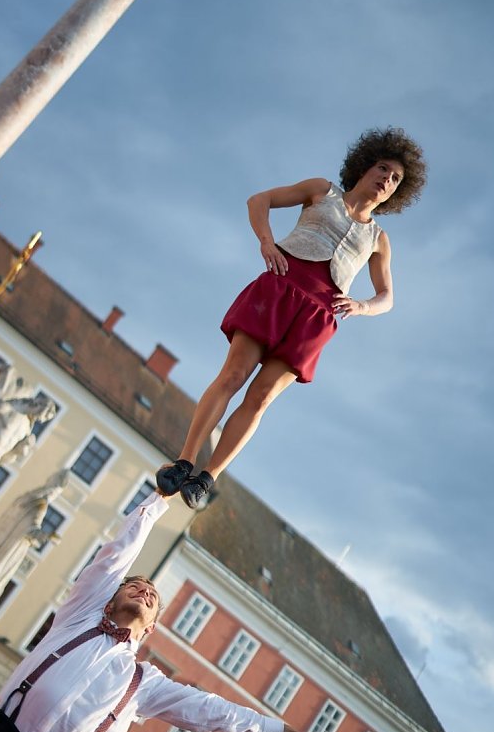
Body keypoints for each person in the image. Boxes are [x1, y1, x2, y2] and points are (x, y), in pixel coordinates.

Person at [0, 489, 325, 732]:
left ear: (149, 630)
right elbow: (116, 553)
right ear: (109, 599)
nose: (144, 590)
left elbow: (210, 711)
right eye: (133, 586)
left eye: (151, 594)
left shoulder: (142, 683)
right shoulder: (79, 616)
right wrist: (159, 499)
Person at [157, 127, 427, 507]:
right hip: (279, 290)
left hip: (317, 318)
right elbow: (259, 200)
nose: (387, 179)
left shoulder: (379, 240)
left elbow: (388, 297)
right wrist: (267, 242)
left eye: (396, 178)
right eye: (383, 168)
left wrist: (362, 306)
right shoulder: (322, 190)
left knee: (262, 397)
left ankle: (207, 477)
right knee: (232, 376)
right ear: (366, 167)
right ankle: (184, 460)